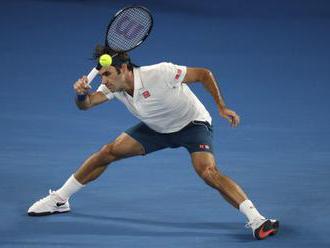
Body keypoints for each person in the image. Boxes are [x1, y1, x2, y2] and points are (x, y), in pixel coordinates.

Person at [28, 45, 279, 240]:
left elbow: (204, 74)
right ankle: (60, 199)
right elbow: (86, 105)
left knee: (208, 172)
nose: (103, 81)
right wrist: (82, 94)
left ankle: (256, 219)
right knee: (108, 152)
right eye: (102, 75)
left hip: (192, 125)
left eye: (107, 74)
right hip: (157, 129)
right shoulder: (113, 87)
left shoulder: (160, 72)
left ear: (124, 68)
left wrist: (221, 107)